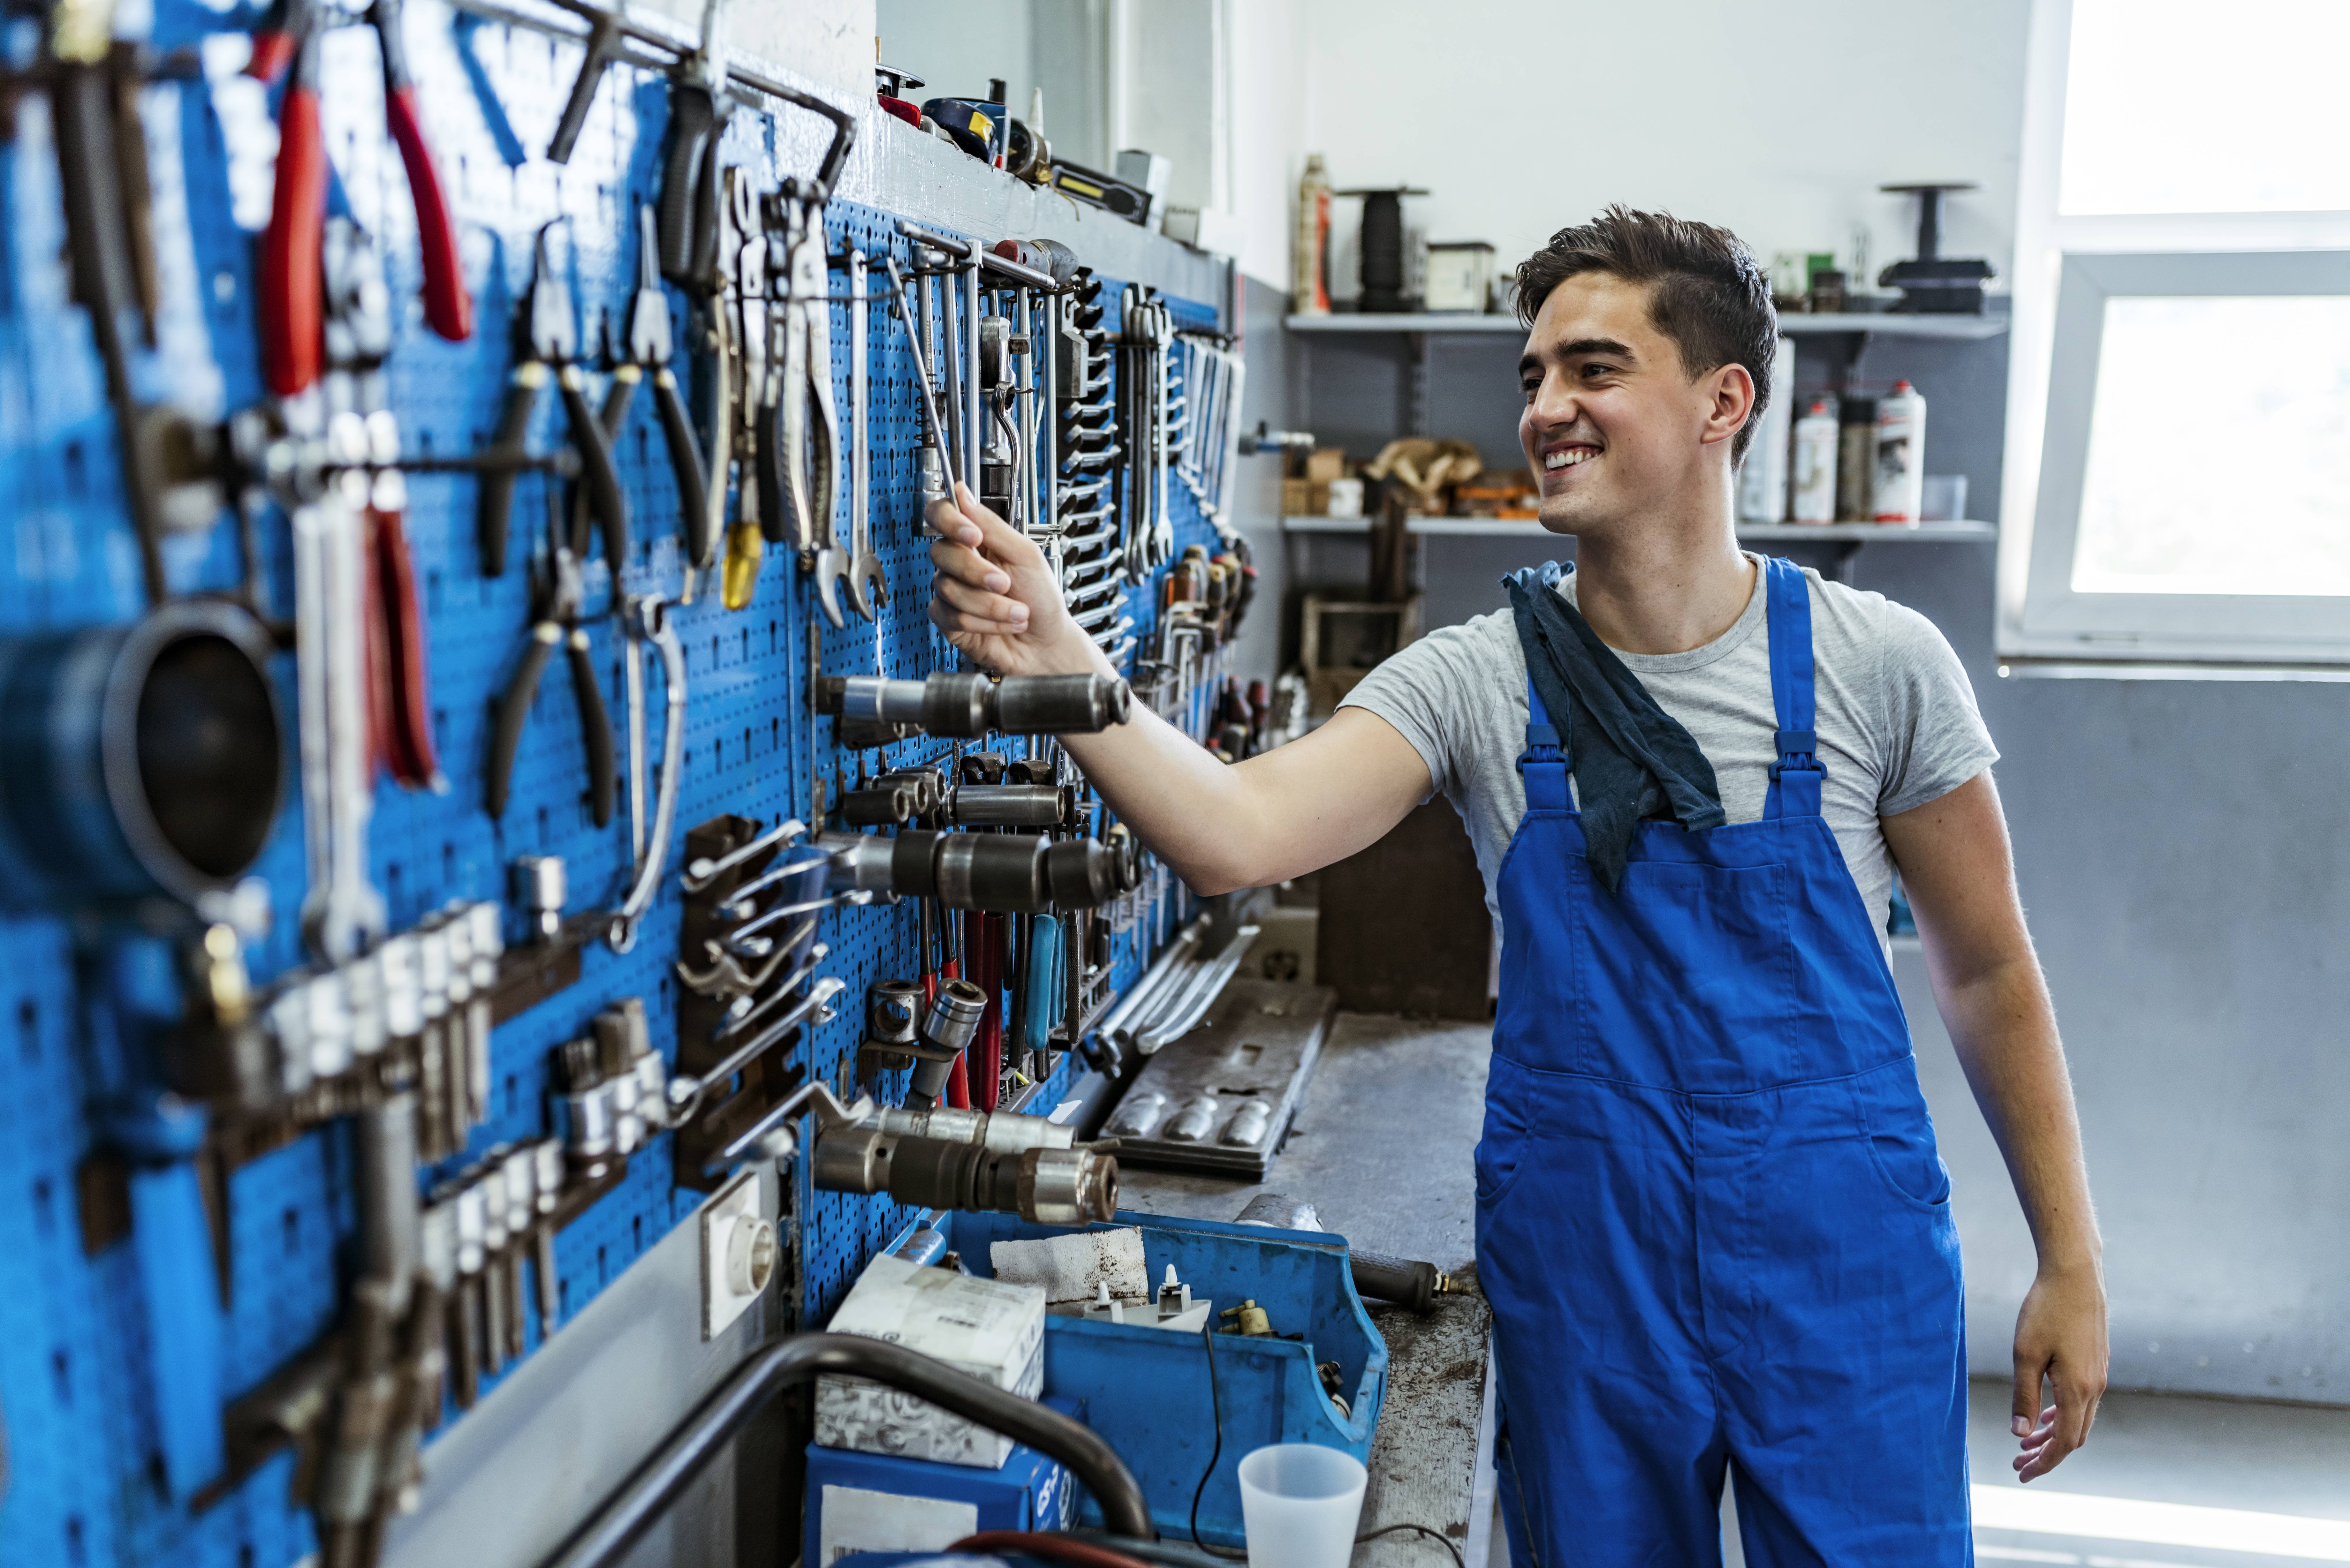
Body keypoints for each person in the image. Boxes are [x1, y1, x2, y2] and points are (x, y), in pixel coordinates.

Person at [923, 205, 2107, 1566]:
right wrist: (1060, 655)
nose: (1547, 407)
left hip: (1840, 1271)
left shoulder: (1880, 664)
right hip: (1594, 1278)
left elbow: (1988, 969)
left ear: (1725, 400)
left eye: (1594, 370)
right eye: (1533, 376)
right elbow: (1236, 829)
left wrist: (2066, 1258)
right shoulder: (1481, 675)